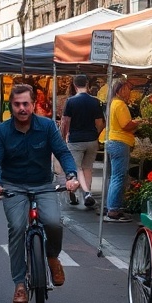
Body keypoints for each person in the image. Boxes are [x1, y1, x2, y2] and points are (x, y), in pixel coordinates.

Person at [0, 83, 79, 303]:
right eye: (17, 104)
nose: (22, 108)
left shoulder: (47, 127)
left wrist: (71, 175)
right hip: (13, 186)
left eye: (26, 103)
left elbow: (63, 152)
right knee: (17, 227)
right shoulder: (2, 131)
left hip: (43, 185)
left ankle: (52, 256)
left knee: (54, 223)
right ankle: (19, 283)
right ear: (11, 106)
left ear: (33, 105)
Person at [58, 75, 105, 209]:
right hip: (91, 140)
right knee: (87, 168)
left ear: (74, 85)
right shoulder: (95, 101)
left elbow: (65, 121)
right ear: (87, 84)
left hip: (76, 140)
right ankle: (87, 194)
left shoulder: (71, 101)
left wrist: (64, 136)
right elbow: (100, 123)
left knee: (75, 168)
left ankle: (77, 194)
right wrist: (95, 134)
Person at [103, 80, 140, 223]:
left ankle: (112, 207)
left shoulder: (112, 103)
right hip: (120, 142)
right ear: (119, 90)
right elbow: (126, 125)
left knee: (114, 177)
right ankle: (113, 210)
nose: (129, 92)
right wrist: (138, 123)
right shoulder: (120, 104)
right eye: (126, 89)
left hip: (113, 141)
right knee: (118, 177)